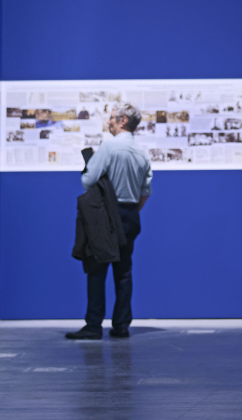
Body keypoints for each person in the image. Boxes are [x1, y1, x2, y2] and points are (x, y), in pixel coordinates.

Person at [67, 103, 152, 340]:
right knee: (123, 271)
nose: (109, 122)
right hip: (130, 214)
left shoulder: (109, 147)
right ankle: (121, 324)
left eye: (112, 118)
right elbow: (145, 191)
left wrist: (87, 169)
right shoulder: (142, 153)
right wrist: (130, 211)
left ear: (123, 120)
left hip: (104, 214)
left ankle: (94, 324)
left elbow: (89, 181)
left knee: (97, 268)